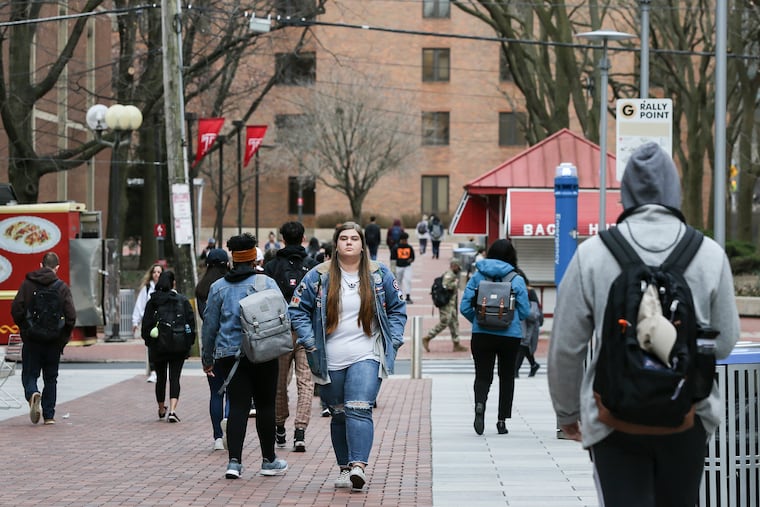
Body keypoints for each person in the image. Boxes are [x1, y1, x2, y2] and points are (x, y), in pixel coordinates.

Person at [547, 142, 740, 506]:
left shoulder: (593, 253)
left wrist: (568, 413)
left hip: (612, 418)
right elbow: (726, 341)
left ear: (625, 193)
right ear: (675, 191)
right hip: (687, 415)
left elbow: (566, 347)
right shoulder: (709, 253)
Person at [289, 221, 407, 492]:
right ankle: (344, 467)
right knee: (339, 413)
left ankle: (358, 466)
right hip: (328, 357)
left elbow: (398, 308)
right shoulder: (318, 275)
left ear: (363, 244)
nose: (349, 242)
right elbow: (296, 309)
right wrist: (308, 341)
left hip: (367, 353)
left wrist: (396, 339)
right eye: (344, 238)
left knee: (359, 407)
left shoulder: (379, 275)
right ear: (336, 244)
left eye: (354, 238)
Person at [202, 233, 288, 479]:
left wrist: (208, 358)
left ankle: (234, 463)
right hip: (265, 353)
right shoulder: (267, 284)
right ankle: (268, 460)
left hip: (230, 356)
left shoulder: (218, 288)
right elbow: (284, 317)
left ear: (232, 258)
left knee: (238, 406)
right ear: (253, 258)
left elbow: (209, 326)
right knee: (265, 406)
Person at [460, 239, 530, 436]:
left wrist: (479, 320)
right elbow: (525, 310)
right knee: (507, 377)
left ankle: (480, 405)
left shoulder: (477, 277)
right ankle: (501, 421)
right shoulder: (516, 279)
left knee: (483, 375)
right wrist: (511, 319)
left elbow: (465, 306)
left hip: (481, 334)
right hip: (510, 336)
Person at [264, 221, 317, 453]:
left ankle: (279, 425)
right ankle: (300, 431)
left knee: (279, 382)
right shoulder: (314, 267)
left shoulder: (272, 266)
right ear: (303, 238)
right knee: (306, 382)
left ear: (282, 239)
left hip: (280, 331)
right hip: (307, 330)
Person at [11, 251, 76, 425]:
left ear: (40, 265)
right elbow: (71, 316)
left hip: (32, 339)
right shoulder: (62, 287)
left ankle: (33, 393)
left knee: (30, 374)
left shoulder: (28, 284)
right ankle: (49, 416)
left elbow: (16, 309)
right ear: (57, 268)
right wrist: (63, 336)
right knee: (51, 378)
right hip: (54, 341)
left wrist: (25, 328)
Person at [141, 270, 196, 423]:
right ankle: (172, 410)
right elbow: (190, 324)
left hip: (158, 346)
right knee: (174, 378)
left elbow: (146, 326)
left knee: (161, 378)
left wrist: (149, 342)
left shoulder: (152, 302)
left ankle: (160, 408)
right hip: (178, 346)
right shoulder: (182, 300)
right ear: (173, 283)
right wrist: (189, 342)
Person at [195, 248, 230, 450]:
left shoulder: (202, 289)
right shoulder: (230, 286)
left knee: (216, 393)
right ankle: (229, 425)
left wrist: (206, 357)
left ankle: (217, 436)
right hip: (231, 343)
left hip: (212, 343)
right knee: (233, 393)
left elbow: (206, 321)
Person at [423, 259, 467, 353]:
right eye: (458, 267)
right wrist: (455, 284)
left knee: (454, 323)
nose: (459, 269)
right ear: (454, 266)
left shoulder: (452, 274)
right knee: (444, 322)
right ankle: (428, 337)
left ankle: (456, 343)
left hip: (451, 304)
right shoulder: (449, 275)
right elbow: (445, 285)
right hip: (446, 304)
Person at [132, 263, 164, 383]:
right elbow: (139, 306)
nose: (156, 275)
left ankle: (160, 370)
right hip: (150, 322)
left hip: (162, 322)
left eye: (159, 272)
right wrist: (135, 322)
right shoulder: (146, 289)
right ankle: (154, 371)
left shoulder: (166, 288)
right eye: (154, 272)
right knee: (151, 346)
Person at [514, 276, 542, 378]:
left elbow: (535, 311)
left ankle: (516, 369)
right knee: (524, 345)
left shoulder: (529, 292)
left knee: (523, 344)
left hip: (530, 322)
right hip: (523, 321)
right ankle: (533, 365)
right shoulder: (521, 291)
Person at [394, 232, 415, 303]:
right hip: (398, 267)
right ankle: (399, 297)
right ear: (401, 240)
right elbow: (392, 259)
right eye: (404, 240)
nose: (405, 241)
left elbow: (413, 257)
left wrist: (410, 260)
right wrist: (393, 269)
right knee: (398, 282)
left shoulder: (409, 247)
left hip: (407, 267)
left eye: (406, 240)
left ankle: (408, 296)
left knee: (407, 281)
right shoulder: (396, 247)